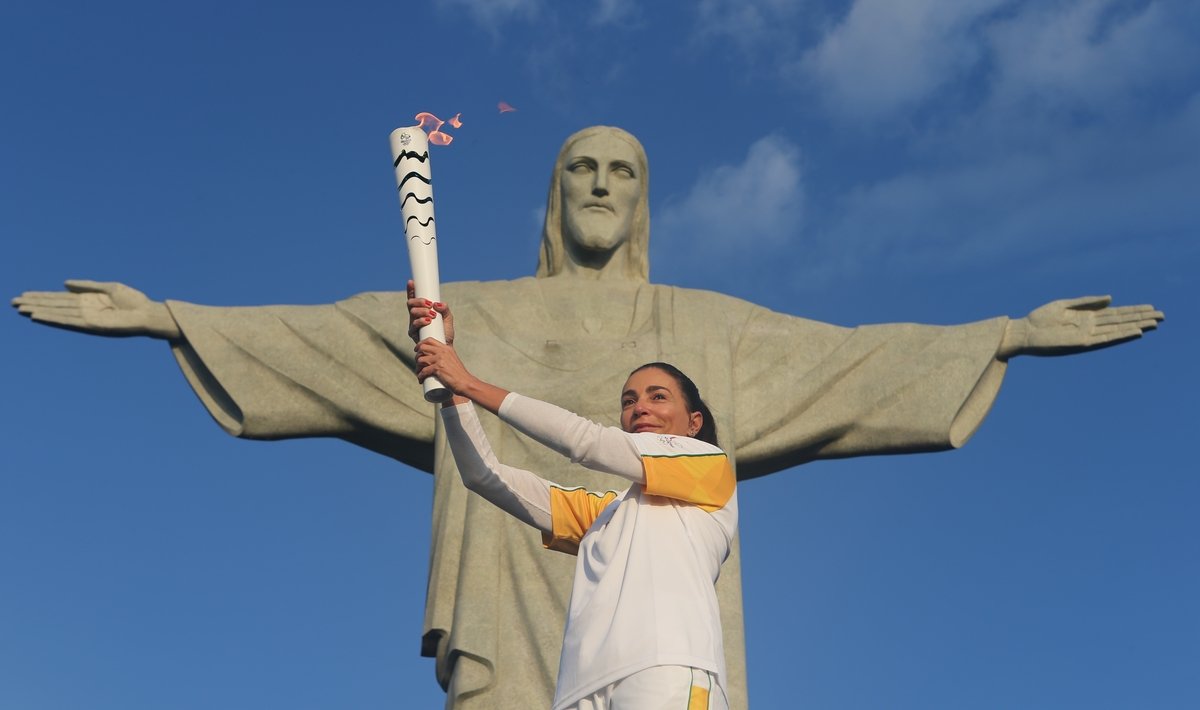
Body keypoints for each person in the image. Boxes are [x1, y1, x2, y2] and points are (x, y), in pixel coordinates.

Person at [11, 126, 1163, 710]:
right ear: (554, 195)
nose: (602, 185)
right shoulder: (475, 311)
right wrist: (172, 316)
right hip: (519, 617)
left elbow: (847, 360)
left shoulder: (703, 332)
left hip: (665, 656)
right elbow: (329, 341)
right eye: (581, 170)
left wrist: (1001, 333)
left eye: (622, 170)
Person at [409, 287, 734, 709]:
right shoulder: (607, 514)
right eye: (629, 400)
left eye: (658, 396)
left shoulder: (710, 468)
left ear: (694, 423)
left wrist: (467, 381)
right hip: (580, 691)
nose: (640, 408)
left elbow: (586, 441)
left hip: (667, 668)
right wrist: (448, 381)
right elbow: (483, 475)